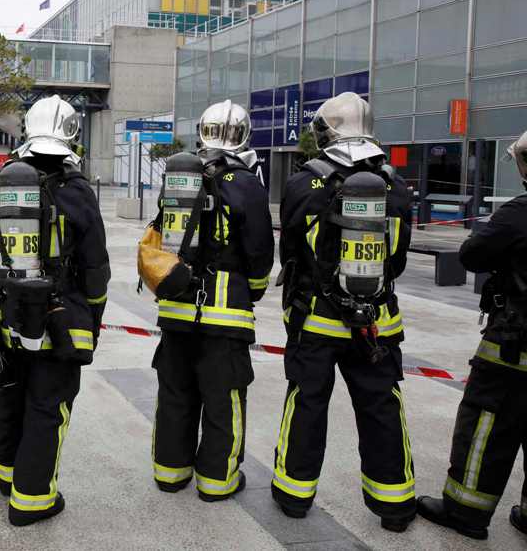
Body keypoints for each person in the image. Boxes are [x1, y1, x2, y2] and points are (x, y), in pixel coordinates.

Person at [273, 92, 415, 531]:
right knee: (382, 407)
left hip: (315, 320)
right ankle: (394, 505)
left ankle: (294, 497)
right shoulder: (394, 184)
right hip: (378, 323)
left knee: (307, 403)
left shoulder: (304, 182)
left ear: (326, 131)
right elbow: (399, 259)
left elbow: (290, 251)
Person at [0, 94, 110, 526]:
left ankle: (5, 474)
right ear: (72, 135)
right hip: (60, 323)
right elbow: (95, 270)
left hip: (8, 319)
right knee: (49, 406)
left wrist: (2, 297)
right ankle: (32, 500)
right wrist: (93, 321)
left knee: (11, 394)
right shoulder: (78, 192)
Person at [148, 100, 274, 502]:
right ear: (243, 135)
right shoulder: (246, 183)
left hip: (175, 308)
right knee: (223, 399)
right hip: (225, 316)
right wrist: (250, 292)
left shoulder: (181, 176)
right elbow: (259, 255)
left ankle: (170, 473)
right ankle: (217, 481)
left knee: (175, 394)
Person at [417, 130, 527, 540]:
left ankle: (465, 511)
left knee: (486, 424)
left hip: (514, 347)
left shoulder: (517, 214)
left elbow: (471, 254)